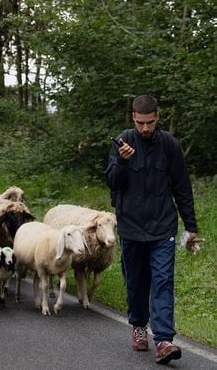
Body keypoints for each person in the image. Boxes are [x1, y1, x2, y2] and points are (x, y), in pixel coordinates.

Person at [105, 94, 200, 365]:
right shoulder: (123, 142)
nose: (144, 128)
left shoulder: (169, 145)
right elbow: (112, 182)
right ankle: (138, 325)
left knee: (162, 281)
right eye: (139, 123)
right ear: (133, 119)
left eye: (149, 123)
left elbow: (182, 187)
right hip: (131, 226)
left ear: (157, 117)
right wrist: (122, 162)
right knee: (136, 282)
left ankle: (164, 341)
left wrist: (190, 226)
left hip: (162, 227)